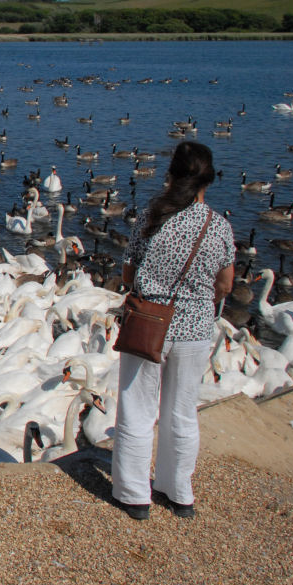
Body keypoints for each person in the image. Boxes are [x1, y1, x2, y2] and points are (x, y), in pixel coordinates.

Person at [113, 141, 234, 520]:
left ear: (172, 174)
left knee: (137, 409)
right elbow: (226, 285)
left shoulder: (152, 215)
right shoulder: (219, 226)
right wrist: (197, 296)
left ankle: (134, 496)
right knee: (181, 412)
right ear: (207, 181)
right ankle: (179, 492)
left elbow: (129, 273)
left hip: (149, 323)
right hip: (195, 330)